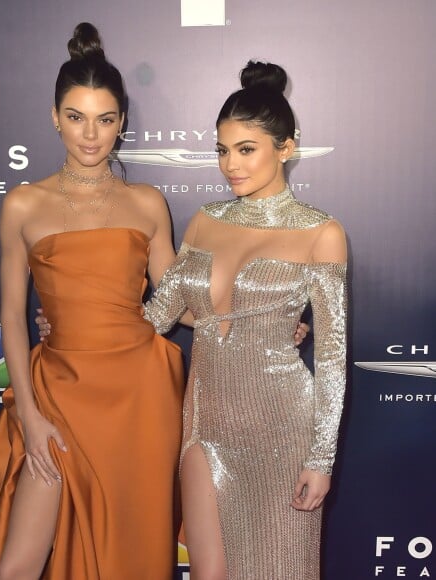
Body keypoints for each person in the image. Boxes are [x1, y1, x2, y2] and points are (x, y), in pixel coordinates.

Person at [0, 22, 185, 580]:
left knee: (135, 555)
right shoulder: (24, 203)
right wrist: (32, 412)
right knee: (17, 564)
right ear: (54, 117)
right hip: (58, 393)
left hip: (140, 398)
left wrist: (260, 323)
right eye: (76, 117)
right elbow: (12, 318)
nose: (90, 135)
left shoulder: (146, 202)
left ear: (121, 123)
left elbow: (180, 300)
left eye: (105, 119)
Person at [142, 61, 348, 579]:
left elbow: (332, 357)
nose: (230, 165)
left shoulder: (321, 233)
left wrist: (320, 458)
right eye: (222, 149)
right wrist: (80, 320)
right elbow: (157, 317)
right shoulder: (205, 221)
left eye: (246, 149)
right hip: (205, 424)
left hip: (283, 428)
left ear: (286, 148)